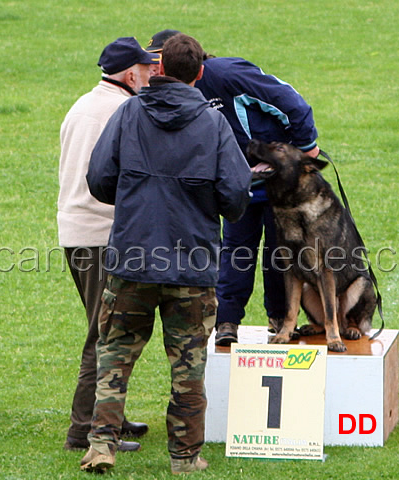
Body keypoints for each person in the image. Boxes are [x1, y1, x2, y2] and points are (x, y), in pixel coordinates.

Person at [81, 34, 252, 474]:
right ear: (199, 74)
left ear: (158, 69)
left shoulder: (129, 113)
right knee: (188, 367)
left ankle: (101, 445)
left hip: (132, 260)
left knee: (114, 355)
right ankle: (185, 457)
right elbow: (236, 196)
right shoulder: (213, 126)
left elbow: (99, 178)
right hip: (191, 267)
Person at [146, 30, 320, 346]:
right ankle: (227, 322)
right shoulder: (171, 93)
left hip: (279, 177)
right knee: (236, 249)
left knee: (279, 251)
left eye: (156, 61)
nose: (152, 69)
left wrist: (305, 147)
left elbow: (290, 101)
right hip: (238, 182)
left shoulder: (228, 74)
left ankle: (281, 318)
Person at [57, 37, 156, 453]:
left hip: (76, 233)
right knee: (106, 335)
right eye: (148, 70)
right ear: (131, 74)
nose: (153, 76)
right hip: (102, 236)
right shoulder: (122, 110)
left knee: (109, 330)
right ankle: (85, 430)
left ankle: (109, 416)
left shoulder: (83, 104)